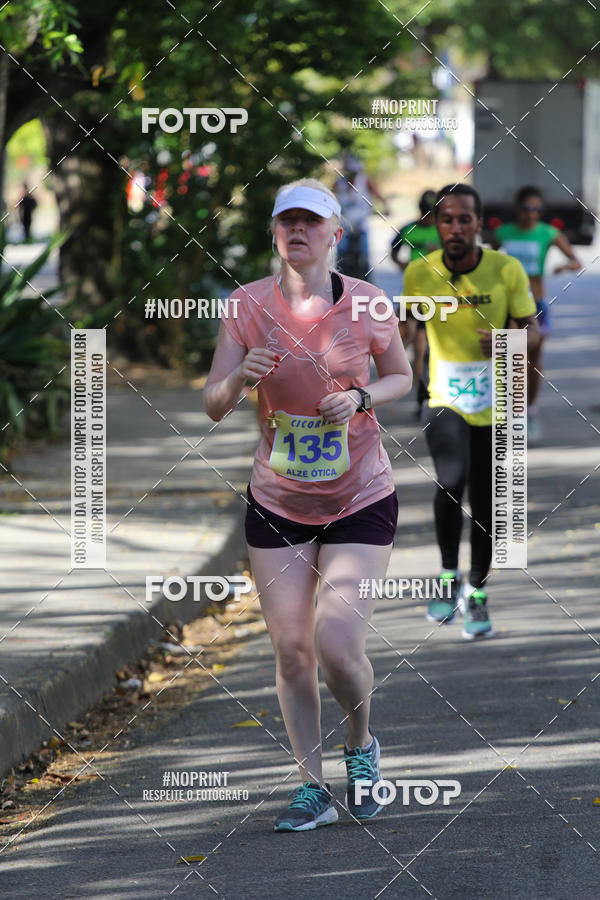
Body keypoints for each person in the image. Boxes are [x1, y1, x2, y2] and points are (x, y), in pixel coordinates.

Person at [204, 177, 412, 831]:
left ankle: (361, 749)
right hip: (277, 500)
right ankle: (310, 787)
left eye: (310, 222)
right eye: (286, 221)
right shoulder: (246, 306)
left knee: (337, 643)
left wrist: (362, 398)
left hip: (359, 494)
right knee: (292, 649)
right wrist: (241, 376)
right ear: (274, 232)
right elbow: (213, 404)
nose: (298, 231)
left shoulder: (372, 305)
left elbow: (404, 375)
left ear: (334, 234)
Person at [402, 184, 539, 639]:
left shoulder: (506, 270)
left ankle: (476, 591)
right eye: (447, 220)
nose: (456, 228)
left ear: (479, 224)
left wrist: (507, 341)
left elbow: (532, 333)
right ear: (435, 225)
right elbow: (402, 333)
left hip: (495, 399)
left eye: (465, 220)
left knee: (485, 497)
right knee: (450, 480)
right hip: (443, 395)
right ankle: (447, 577)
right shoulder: (421, 274)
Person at [492, 186, 581, 442]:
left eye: (536, 209)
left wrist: (564, 266)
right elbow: (487, 259)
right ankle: (509, 412)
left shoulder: (548, 233)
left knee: (533, 360)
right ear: (518, 208)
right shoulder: (503, 233)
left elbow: (576, 260)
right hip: (507, 304)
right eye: (527, 208)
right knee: (510, 359)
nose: (532, 214)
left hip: (536, 304)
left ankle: (530, 410)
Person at [391, 189, 441, 418]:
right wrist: (403, 266)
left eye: (431, 213)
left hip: (438, 297)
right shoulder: (408, 228)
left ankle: (434, 395)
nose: (427, 217)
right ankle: (423, 398)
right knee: (418, 349)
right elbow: (393, 249)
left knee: (434, 350)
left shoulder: (441, 231)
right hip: (413, 296)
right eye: (424, 212)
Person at [333, 155, 389, 280]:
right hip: (345, 224)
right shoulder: (338, 182)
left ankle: (368, 281)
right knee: (340, 252)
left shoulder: (364, 181)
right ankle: (337, 279)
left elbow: (378, 194)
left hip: (361, 223)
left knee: (365, 254)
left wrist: (386, 207)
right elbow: (330, 196)